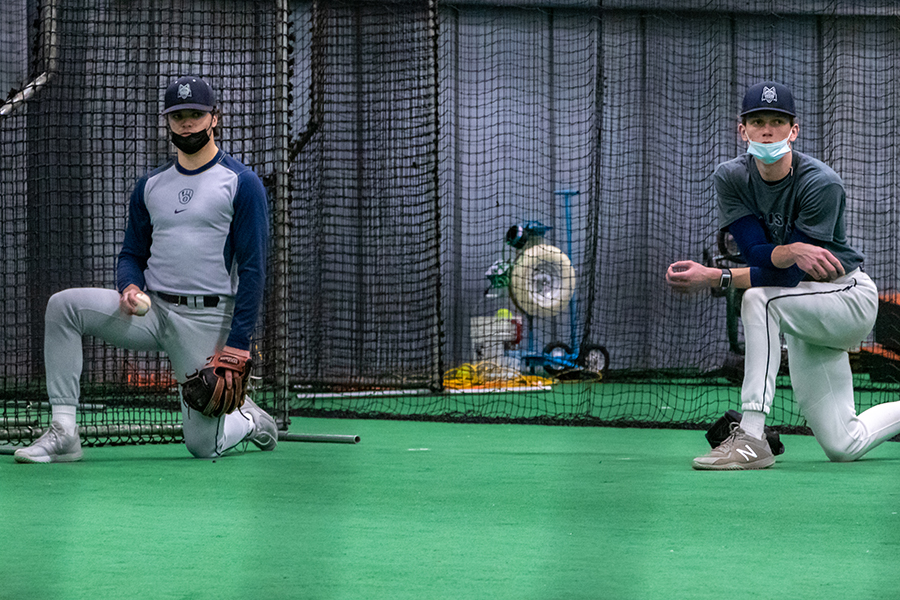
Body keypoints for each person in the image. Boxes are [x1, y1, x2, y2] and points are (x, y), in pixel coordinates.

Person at [14, 75, 277, 463]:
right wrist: (129, 287)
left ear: (214, 118)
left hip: (207, 322)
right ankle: (64, 433)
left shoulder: (242, 183)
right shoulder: (151, 184)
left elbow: (254, 271)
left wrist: (238, 343)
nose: (187, 123)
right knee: (63, 307)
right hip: (152, 312)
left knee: (202, 447)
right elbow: (131, 255)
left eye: (195, 114)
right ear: (168, 122)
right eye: (178, 116)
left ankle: (249, 420)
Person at [666, 80, 900, 470]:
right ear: (743, 130)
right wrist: (788, 250)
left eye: (778, 121)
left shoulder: (820, 182)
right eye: (758, 121)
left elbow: (787, 277)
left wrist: (719, 277)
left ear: (794, 130)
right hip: (803, 312)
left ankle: (751, 437)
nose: (767, 129)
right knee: (844, 444)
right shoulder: (731, 177)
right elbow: (757, 251)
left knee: (760, 299)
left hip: (847, 299)